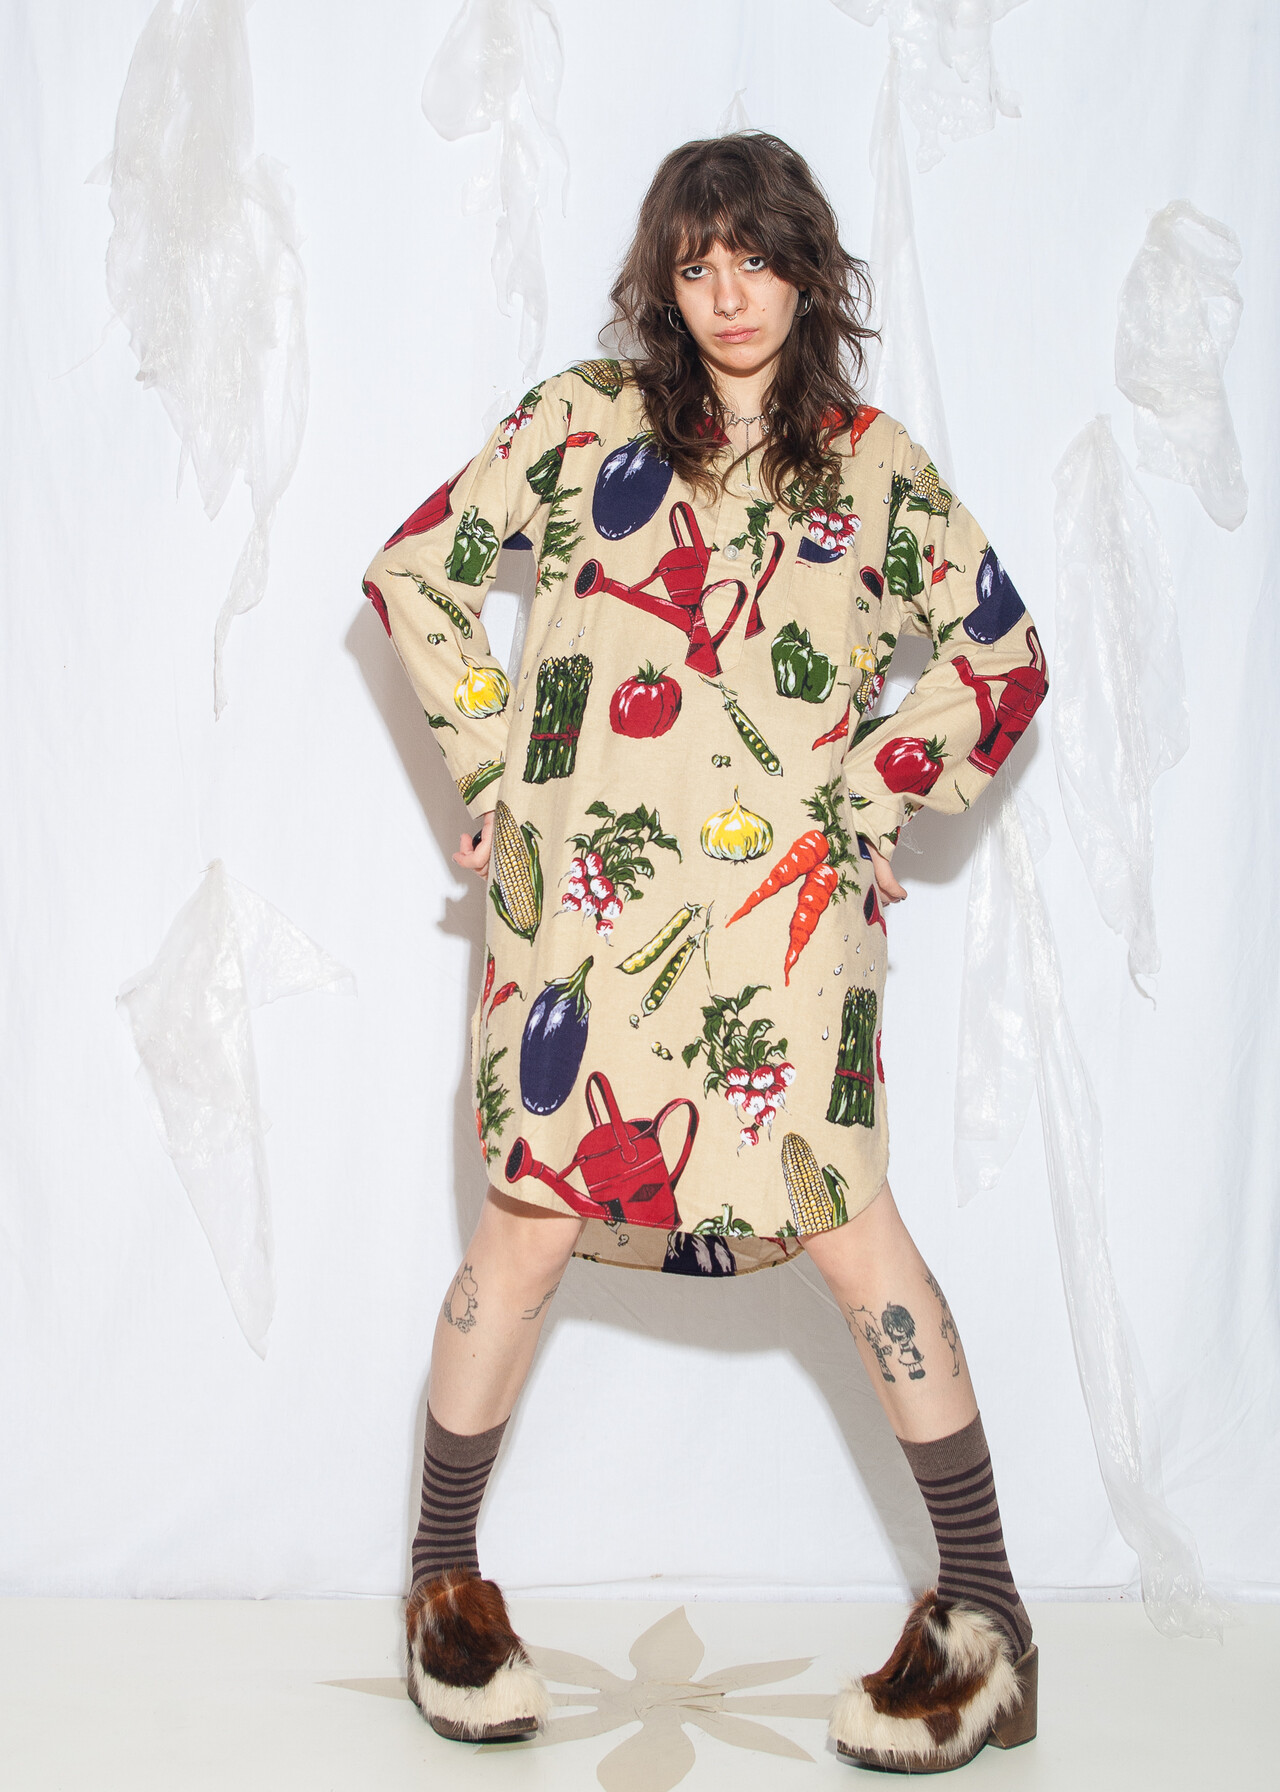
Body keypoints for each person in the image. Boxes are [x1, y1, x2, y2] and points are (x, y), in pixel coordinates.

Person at [362, 131, 1047, 1773]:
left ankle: (987, 1616)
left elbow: (1003, 656)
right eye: (696, 261)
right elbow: (416, 572)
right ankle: (443, 1581)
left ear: (809, 268)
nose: (729, 292)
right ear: (663, 281)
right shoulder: (579, 425)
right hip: (580, 925)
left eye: (758, 256)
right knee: (526, 1232)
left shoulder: (872, 471)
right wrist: (494, 769)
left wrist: (873, 800)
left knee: (852, 1237)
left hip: (781, 937)